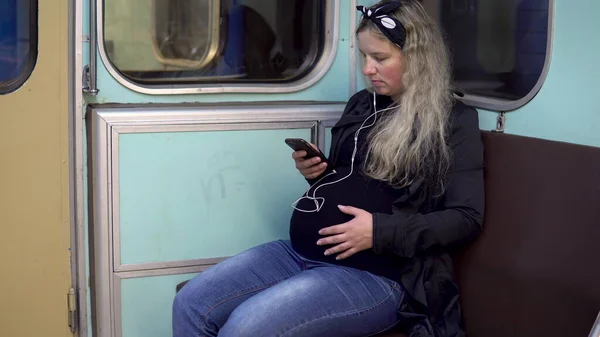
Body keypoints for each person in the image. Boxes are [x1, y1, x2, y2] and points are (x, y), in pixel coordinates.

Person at [172, 1, 484, 336]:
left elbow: (466, 218)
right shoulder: (363, 105)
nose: (367, 69)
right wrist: (320, 173)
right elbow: (355, 182)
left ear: (418, 59)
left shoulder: (452, 120)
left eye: (380, 58)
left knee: (245, 329)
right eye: (364, 57)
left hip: (376, 274)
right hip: (301, 252)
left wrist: (379, 231)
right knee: (191, 303)